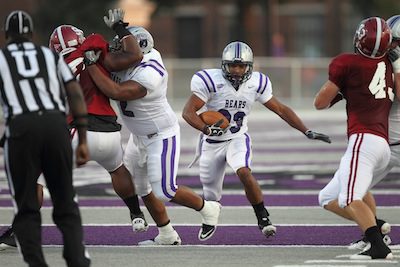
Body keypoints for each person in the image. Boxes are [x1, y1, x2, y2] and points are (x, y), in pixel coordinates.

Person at [0, 8, 151, 250]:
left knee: (36, 178)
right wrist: (120, 28)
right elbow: (135, 55)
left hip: (77, 133)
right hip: (110, 133)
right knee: (117, 169)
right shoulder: (95, 53)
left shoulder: (51, 67)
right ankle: (136, 214)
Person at [83, 26, 222, 242]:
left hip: (161, 135)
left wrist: (92, 64)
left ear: (139, 51)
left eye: (124, 47)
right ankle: (167, 233)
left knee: (165, 190)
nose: (117, 50)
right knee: (140, 187)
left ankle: (208, 208)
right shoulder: (126, 61)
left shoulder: (151, 70)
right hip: (137, 136)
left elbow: (116, 91)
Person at [181, 41, 331, 238]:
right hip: (211, 143)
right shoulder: (210, 81)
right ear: (224, 65)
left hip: (237, 138)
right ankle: (209, 219)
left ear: (249, 66)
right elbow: (188, 112)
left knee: (243, 171)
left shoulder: (257, 83)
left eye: (241, 66)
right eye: (232, 65)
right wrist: (206, 128)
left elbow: (281, 109)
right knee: (211, 196)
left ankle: (262, 215)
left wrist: (306, 130)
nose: (236, 70)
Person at [0, 10, 90, 267]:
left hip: (22, 127)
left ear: (7, 36)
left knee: (26, 209)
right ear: (31, 35)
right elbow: (74, 93)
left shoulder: (2, 58)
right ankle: (77, 261)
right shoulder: (50, 56)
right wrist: (82, 138)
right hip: (55, 126)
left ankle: (37, 263)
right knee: (65, 203)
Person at [315, 17, 394, 260]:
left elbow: (320, 103)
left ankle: (378, 247)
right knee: (328, 197)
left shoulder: (347, 63)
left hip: (364, 140)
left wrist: (341, 89)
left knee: (349, 198)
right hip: (382, 144)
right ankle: (376, 227)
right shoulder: (389, 64)